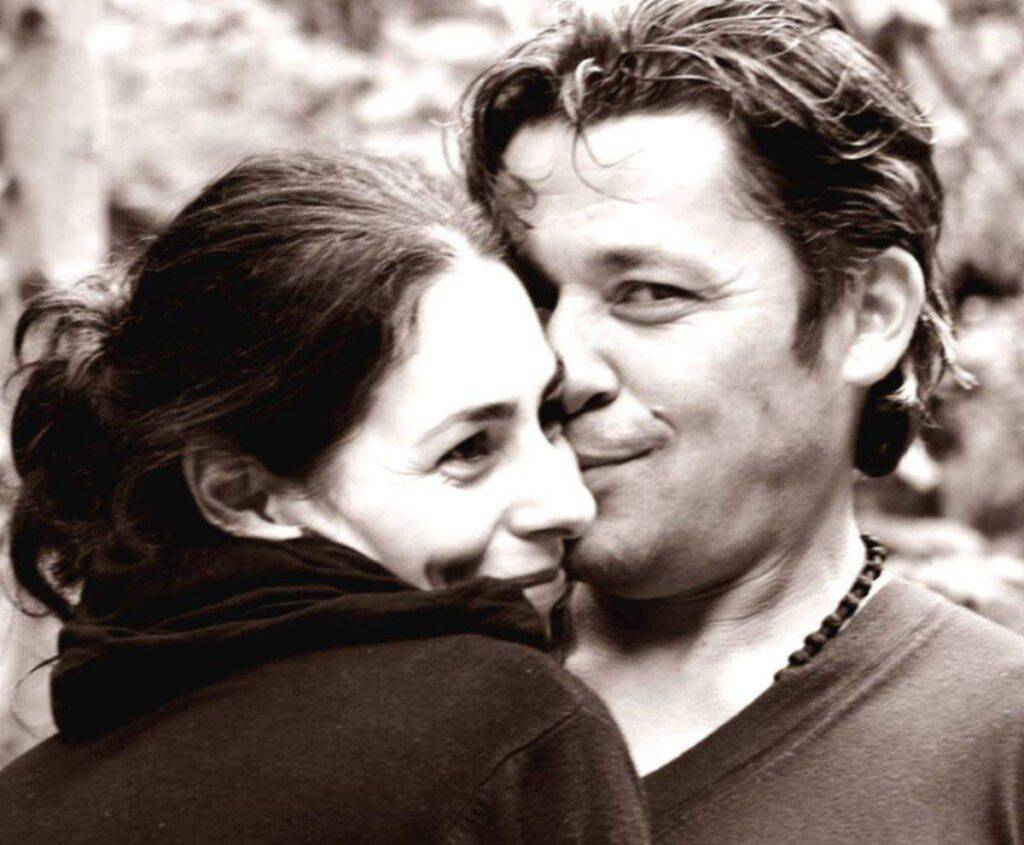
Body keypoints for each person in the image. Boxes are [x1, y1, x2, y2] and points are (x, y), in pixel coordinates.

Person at [459, 1, 1024, 841]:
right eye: (534, 295)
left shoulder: (997, 745)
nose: (560, 364)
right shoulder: (391, 683)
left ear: (869, 313)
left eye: (650, 293)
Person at [0, 152, 650, 843]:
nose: (569, 503)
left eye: (549, 416)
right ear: (244, 494)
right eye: (466, 451)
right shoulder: (506, 725)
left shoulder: (20, 804)